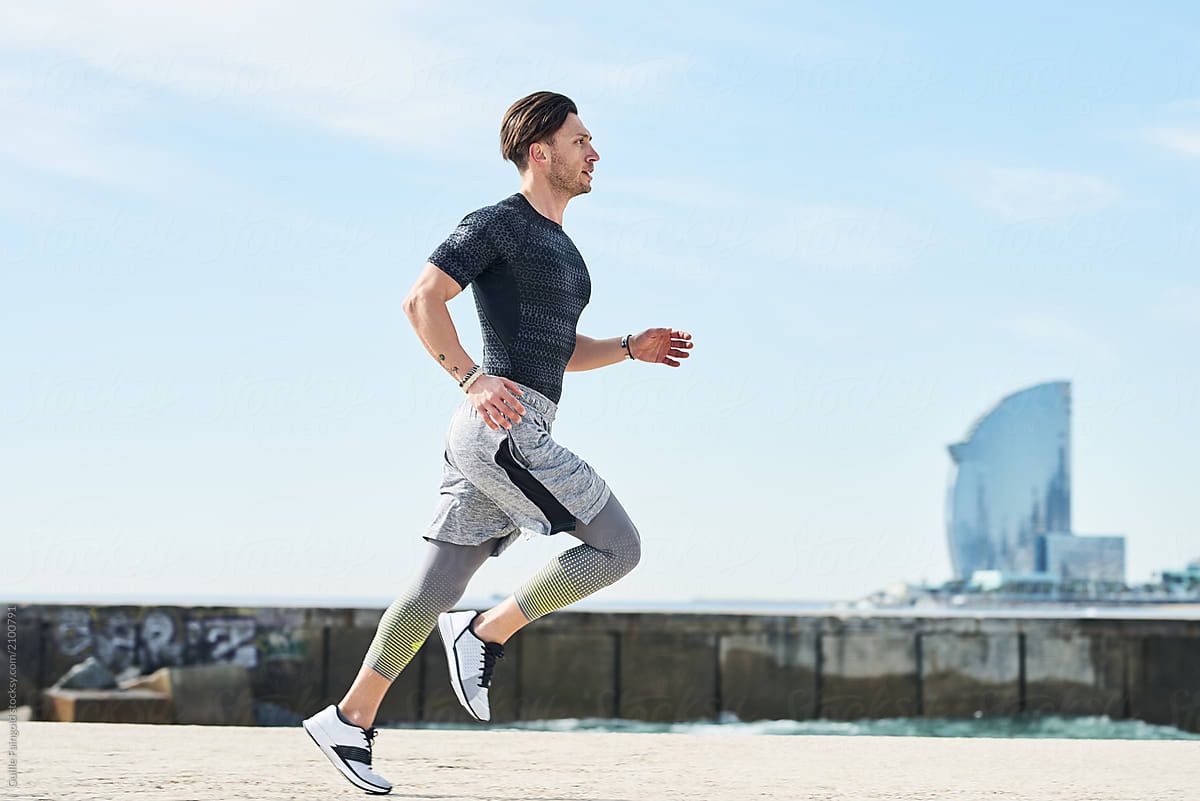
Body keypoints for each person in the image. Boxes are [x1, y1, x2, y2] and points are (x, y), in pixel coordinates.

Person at [302, 90, 694, 794]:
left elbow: (557, 351)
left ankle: (348, 718)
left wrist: (632, 347)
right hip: (501, 426)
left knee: (433, 587)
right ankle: (485, 632)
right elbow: (422, 298)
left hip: (514, 422)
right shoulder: (498, 224)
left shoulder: (567, 254)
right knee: (618, 546)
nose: (594, 152)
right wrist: (470, 378)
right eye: (582, 141)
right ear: (541, 152)